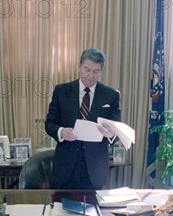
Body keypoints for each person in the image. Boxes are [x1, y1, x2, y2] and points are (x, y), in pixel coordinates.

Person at [45, 48, 121, 190]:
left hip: (95, 169)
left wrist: (112, 134)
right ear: (79, 66)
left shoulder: (111, 95)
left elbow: (116, 130)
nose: (90, 76)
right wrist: (61, 131)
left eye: (96, 71)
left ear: (101, 72)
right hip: (65, 167)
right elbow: (49, 123)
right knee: (60, 209)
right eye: (87, 69)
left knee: (93, 211)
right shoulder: (62, 91)